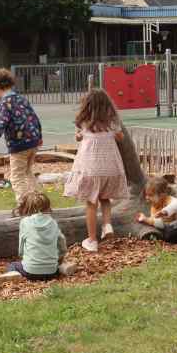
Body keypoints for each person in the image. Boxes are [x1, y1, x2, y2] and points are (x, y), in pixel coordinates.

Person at [64, 88, 128, 253]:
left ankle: (92, 239)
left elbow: (78, 136)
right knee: (105, 198)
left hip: (91, 169)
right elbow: (121, 137)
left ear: (87, 105)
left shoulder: (84, 121)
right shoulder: (112, 121)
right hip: (111, 168)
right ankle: (107, 225)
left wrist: (80, 136)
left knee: (91, 203)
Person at [0, 68, 43, 203]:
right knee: (28, 173)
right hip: (33, 142)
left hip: (19, 145)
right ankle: (38, 202)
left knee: (17, 177)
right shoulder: (22, 99)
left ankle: (25, 206)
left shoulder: (3, 104)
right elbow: (34, 118)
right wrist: (39, 136)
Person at [0, 192, 77, 284]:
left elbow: (21, 247)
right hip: (51, 272)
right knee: (55, 264)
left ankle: (13, 272)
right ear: (47, 206)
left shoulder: (25, 222)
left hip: (30, 272)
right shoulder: (53, 222)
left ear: (28, 207)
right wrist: (61, 256)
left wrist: (22, 256)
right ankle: (63, 268)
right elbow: (62, 242)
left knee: (14, 265)